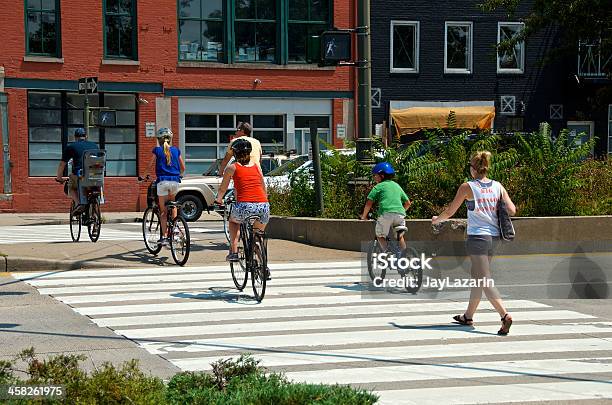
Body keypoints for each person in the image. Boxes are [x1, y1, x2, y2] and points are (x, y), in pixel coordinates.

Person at [432, 151, 517, 335]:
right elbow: (512, 210)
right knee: (478, 276)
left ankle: (504, 316)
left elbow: (449, 212)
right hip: (494, 238)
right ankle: (468, 316)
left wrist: (436, 220)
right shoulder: (498, 186)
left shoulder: (467, 187)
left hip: (477, 237)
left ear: (473, 169)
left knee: (484, 278)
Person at [215, 139, 269, 268]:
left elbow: (223, 189)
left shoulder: (232, 167)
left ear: (235, 154)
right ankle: (264, 266)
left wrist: (218, 200)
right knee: (256, 237)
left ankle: (233, 252)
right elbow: (263, 186)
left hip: (245, 206)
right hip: (263, 206)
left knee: (234, 222)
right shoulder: (256, 166)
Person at [143, 128, 185, 246]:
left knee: (163, 212)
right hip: (175, 182)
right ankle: (176, 228)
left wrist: (143, 175)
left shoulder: (157, 150)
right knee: (173, 204)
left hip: (162, 182)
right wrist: (178, 174)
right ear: (170, 139)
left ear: (159, 140)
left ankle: (165, 237)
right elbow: (183, 168)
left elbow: (150, 165)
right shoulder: (176, 150)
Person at [360, 162, 411, 253]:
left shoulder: (379, 186)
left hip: (386, 214)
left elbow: (369, 202)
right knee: (400, 236)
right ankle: (404, 256)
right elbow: (408, 203)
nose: (374, 177)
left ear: (382, 176)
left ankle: (387, 254)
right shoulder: (396, 185)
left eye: (375, 175)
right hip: (400, 215)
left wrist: (364, 216)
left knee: (380, 235)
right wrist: (399, 212)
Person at [55, 127, 100, 213]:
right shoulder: (95, 146)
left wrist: (59, 178)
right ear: (86, 136)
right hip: (95, 176)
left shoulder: (71, 147)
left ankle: (79, 203)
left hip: (80, 176)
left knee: (71, 187)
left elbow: (62, 164)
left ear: (75, 137)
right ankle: (95, 213)